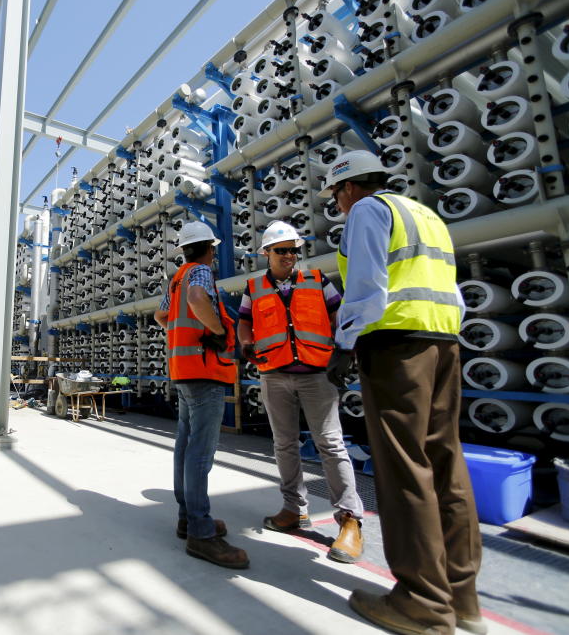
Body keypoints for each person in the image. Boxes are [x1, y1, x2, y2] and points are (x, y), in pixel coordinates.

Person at [321, 150, 484, 635]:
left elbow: (368, 288)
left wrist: (344, 344)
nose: (340, 205)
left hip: (395, 348)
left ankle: (421, 603)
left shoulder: (369, 211)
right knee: (445, 465)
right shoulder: (426, 215)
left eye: (337, 197)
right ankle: (462, 599)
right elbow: (453, 293)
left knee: (404, 469)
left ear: (348, 188)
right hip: (444, 344)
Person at [237, 220, 364, 564]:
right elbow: (245, 320)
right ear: (266, 253)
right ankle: (294, 509)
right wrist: (246, 342)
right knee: (284, 444)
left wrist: (346, 350)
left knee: (330, 444)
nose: (290, 256)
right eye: (282, 251)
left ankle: (350, 520)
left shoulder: (317, 280)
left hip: (316, 375)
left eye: (294, 249)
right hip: (274, 374)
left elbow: (340, 313)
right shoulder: (254, 287)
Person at [154, 220, 248, 570]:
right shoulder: (200, 274)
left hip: (182, 371)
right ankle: (201, 532)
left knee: (185, 446)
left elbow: (161, 315)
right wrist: (218, 328)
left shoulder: (176, 277)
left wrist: (186, 335)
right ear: (211, 248)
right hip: (205, 371)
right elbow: (197, 299)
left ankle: (187, 518)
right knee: (200, 453)